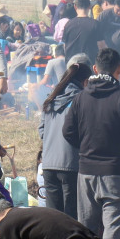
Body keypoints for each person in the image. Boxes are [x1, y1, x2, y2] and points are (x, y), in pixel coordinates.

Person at [61, 49, 120, 239]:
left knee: (86, 227)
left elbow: (68, 132)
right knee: (113, 227)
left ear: (95, 70)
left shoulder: (80, 98)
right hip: (116, 173)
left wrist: (87, 146)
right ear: (119, 70)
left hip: (86, 172)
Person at [39, 56, 89, 219]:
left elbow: (42, 132)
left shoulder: (51, 98)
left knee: (54, 217)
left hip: (48, 165)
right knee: (71, 217)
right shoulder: (81, 100)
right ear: (85, 81)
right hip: (70, 165)